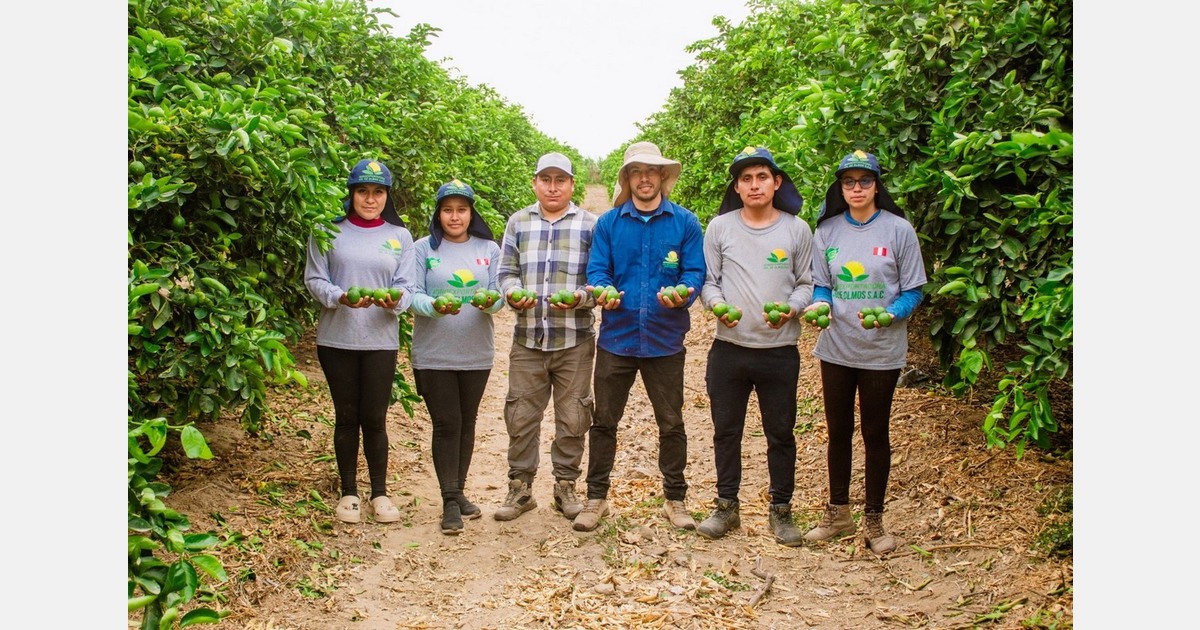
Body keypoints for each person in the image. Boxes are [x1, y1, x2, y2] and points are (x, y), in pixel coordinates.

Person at [574, 141, 706, 532]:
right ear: (627, 178)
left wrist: (684, 292)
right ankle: (596, 498)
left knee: (671, 422)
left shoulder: (685, 222)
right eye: (636, 171)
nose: (644, 178)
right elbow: (597, 271)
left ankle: (675, 498)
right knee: (604, 422)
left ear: (663, 177)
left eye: (651, 171)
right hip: (618, 338)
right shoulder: (610, 224)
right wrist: (604, 292)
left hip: (665, 339)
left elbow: (694, 272)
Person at [800, 150, 927, 555]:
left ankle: (874, 519)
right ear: (840, 187)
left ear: (877, 185)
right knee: (837, 431)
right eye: (848, 182)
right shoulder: (827, 232)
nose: (856, 188)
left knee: (875, 432)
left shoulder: (898, 230)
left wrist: (891, 314)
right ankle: (838, 511)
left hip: (881, 351)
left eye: (864, 181)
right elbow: (822, 285)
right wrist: (820, 305)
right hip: (837, 347)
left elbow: (913, 290)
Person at [696, 147, 813, 546]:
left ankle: (782, 510)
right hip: (729, 347)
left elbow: (806, 282)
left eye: (761, 177)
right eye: (745, 179)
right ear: (737, 186)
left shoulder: (797, 230)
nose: (754, 185)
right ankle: (726, 506)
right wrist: (715, 306)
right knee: (726, 431)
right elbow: (708, 281)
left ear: (776, 182)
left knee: (780, 432)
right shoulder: (720, 227)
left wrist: (794, 309)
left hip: (780, 350)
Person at [304, 158, 417, 525]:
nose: (370, 199)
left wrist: (394, 300)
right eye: (363, 191)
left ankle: (380, 493)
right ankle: (349, 492)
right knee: (346, 416)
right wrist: (339, 297)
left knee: (375, 417)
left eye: (378, 192)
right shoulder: (326, 230)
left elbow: (407, 287)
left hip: (380, 340)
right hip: (337, 338)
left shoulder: (400, 237)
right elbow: (314, 279)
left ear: (387, 196)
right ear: (351, 193)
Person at [494, 152, 597, 522]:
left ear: (572, 184)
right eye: (545, 180)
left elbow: (600, 278)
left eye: (560, 180)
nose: (553, 187)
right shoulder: (518, 222)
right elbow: (505, 272)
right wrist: (511, 291)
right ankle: (520, 488)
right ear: (535, 183)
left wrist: (582, 297)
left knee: (573, 416)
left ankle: (565, 486)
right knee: (520, 415)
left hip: (575, 338)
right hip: (528, 337)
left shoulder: (590, 224)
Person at [409, 179, 504, 535]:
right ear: (438, 213)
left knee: (467, 422)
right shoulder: (423, 249)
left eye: (461, 210)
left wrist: (490, 302)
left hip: (476, 351)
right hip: (434, 352)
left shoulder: (489, 248)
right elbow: (412, 294)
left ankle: (459, 490)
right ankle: (449, 500)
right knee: (446, 423)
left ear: (471, 213)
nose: (454, 216)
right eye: (447, 210)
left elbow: (499, 294)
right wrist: (433, 307)